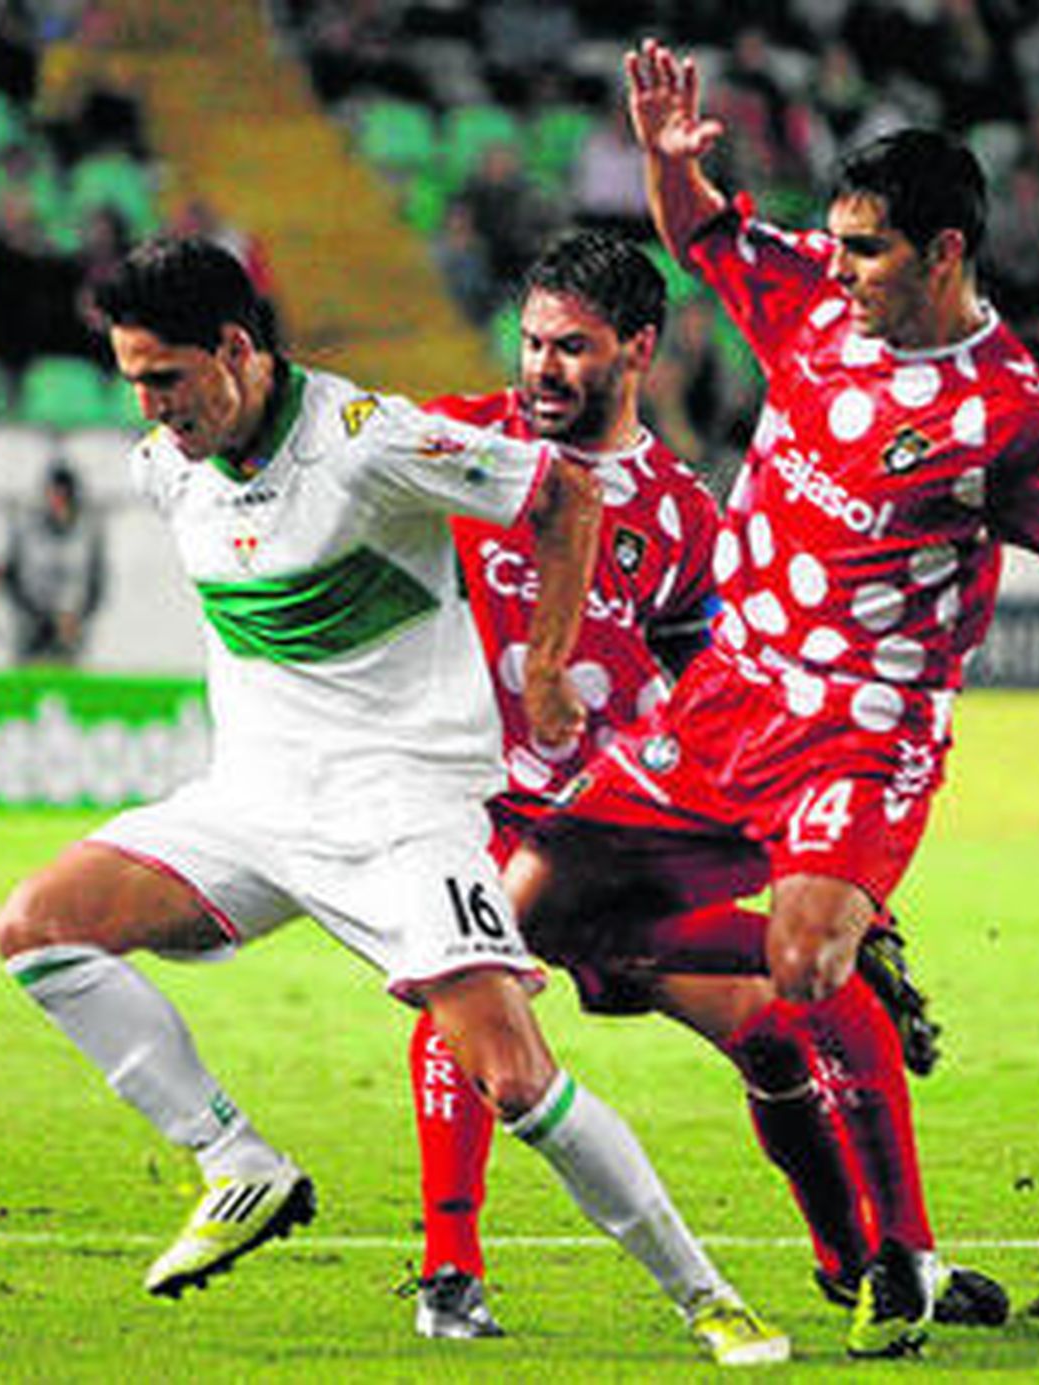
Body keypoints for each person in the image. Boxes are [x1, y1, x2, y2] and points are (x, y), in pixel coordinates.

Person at [498, 38, 1039, 1359]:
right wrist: (664, 158)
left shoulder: (1011, 418)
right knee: (550, 931)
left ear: (943, 252)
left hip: (864, 726)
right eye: (837, 240)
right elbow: (700, 232)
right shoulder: (812, 297)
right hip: (727, 696)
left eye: (866, 247)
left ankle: (897, 1242)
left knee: (798, 965)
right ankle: (842, 955)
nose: (841, 263)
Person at [0, 236, 789, 1367]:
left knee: (514, 1078)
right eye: (133, 381)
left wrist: (550, 665)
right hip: (252, 805)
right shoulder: (166, 464)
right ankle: (237, 1162)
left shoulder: (366, 443)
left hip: (402, 810)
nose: (153, 409)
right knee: (36, 928)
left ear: (235, 348)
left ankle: (707, 1296)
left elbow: (562, 495)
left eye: (167, 378)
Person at [403, 227, 719, 1337]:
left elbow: (705, 676)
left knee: (792, 1011)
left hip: (614, 821)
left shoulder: (682, 511)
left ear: (638, 349)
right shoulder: (457, 442)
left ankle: (883, 1261)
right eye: (531, 341)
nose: (540, 366)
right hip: (474, 802)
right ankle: (449, 1268)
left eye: (571, 347)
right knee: (465, 989)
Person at [3, 460, 107, 665]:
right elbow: (12, 579)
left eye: (61, 494)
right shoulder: (27, 529)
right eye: (52, 493)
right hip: (32, 628)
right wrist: (44, 619)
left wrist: (78, 617)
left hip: (72, 630)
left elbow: (96, 583)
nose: (55, 500)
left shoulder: (87, 533)